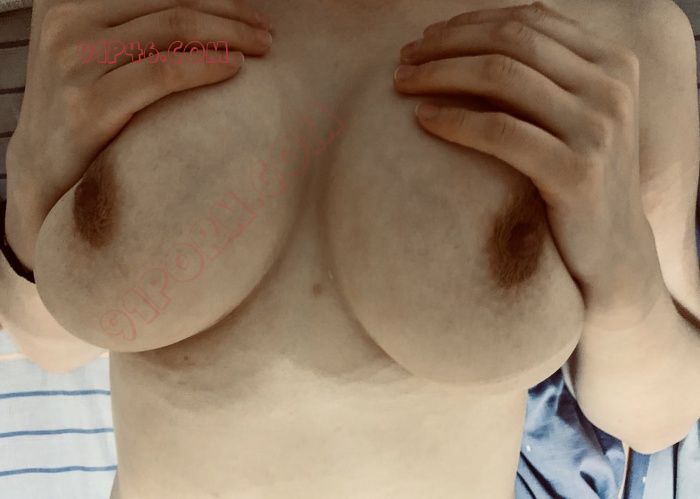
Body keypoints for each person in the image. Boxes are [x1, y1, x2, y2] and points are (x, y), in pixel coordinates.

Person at [1, 0, 698, 497]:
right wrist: (31, 172)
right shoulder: (101, 17)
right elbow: (49, 345)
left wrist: (625, 278)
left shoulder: (619, 37)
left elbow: (654, 418)